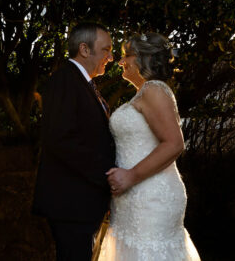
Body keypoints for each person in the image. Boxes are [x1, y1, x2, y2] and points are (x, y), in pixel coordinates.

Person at [98, 32, 201, 260]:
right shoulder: (142, 94)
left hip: (150, 196)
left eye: (127, 56)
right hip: (133, 198)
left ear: (143, 58)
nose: (121, 61)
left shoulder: (154, 90)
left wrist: (131, 176)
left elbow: (174, 143)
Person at [32, 22, 116, 261]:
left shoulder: (83, 83)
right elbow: (61, 140)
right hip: (71, 203)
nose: (110, 57)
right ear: (84, 49)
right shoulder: (64, 81)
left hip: (81, 202)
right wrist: (107, 174)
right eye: (106, 50)